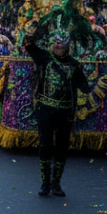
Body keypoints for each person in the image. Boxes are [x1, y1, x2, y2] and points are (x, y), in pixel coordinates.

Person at [24, 25, 90, 198]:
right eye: (57, 45)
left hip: (65, 112)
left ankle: (56, 184)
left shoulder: (74, 64)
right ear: (52, 45)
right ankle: (45, 183)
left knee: (62, 148)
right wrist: (35, 30)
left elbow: (84, 85)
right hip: (45, 110)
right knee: (45, 146)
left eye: (63, 46)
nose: (60, 48)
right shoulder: (44, 58)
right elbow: (28, 45)